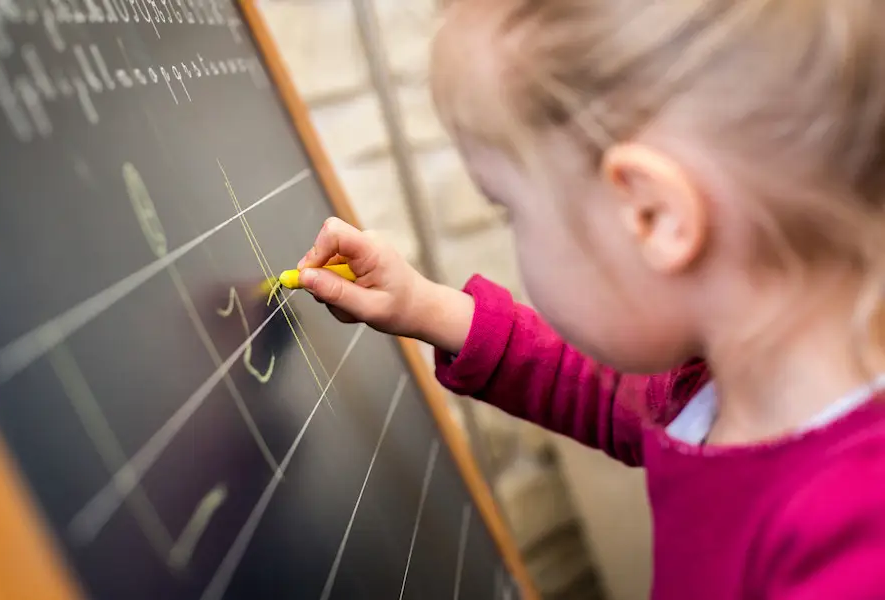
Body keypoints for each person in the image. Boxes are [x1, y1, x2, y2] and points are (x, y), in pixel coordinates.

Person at [295, 1, 885, 598]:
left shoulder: (853, 547)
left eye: (511, 211)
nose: (515, 232)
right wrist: (426, 307)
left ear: (652, 215)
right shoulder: (715, 389)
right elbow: (606, 399)